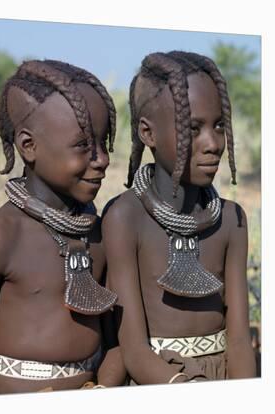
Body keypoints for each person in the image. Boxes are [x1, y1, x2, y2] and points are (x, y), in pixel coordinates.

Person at [0, 59, 126, 396]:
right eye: (83, 145)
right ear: (29, 146)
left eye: (103, 143)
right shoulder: (0, 236)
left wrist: (104, 388)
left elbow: (116, 344)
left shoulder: (98, 232)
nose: (102, 159)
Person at [102, 51, 256, 384]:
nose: (213, 143)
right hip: (158, 380)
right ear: (148, 133)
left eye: (218, 126)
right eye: (193, 128)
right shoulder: (124, 218)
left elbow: (240, 339)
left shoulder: (231, 219)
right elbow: (133, 348)